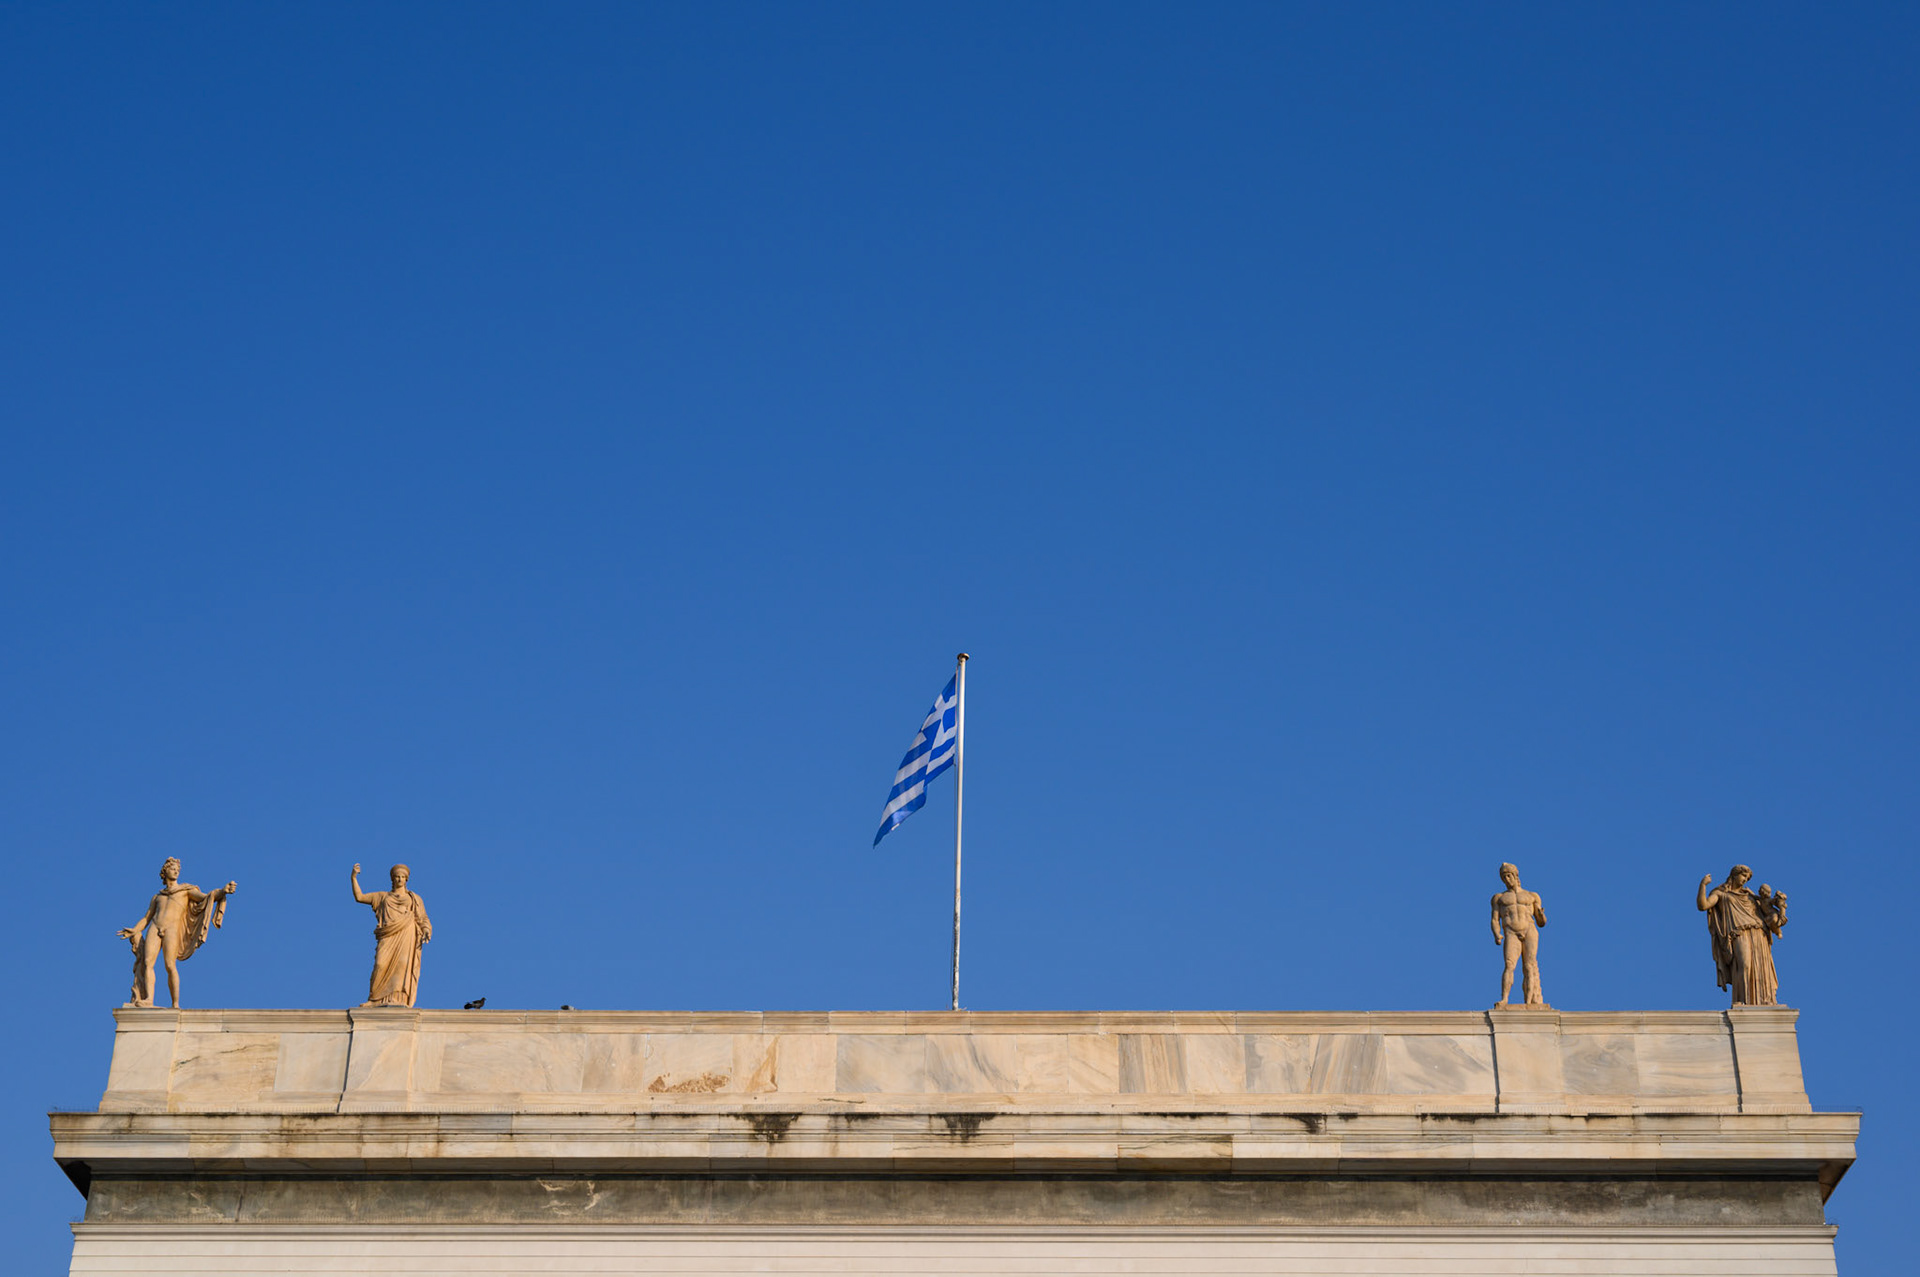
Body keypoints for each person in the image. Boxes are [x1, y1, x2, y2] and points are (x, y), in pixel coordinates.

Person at [117, 857, 237, 1008]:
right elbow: (147, 918)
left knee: (169, 965)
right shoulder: (157, 896)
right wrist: (135, 929)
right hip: (155, 926)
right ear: (165, 871)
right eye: (173, 868)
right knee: (148, 963)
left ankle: (175, 1004)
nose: (176, 871)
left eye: (178, 870)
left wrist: (222, 891)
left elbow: (207, 898)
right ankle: (148, 999)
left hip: (172, 928)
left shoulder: (186, 891)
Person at [1697, 865, 1787, 1006]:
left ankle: (1766, 1000)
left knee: (1761, 967)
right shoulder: (1721, 894)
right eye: (1743, 876)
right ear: (1734, 875)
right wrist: (1703, 885)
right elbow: (1703, 905)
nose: (1745, 880)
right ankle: (1741, 999)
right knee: (1744, 964)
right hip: (1738, 933)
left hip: (1758, 932)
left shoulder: (1749, 895)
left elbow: (1766, 909)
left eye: (1747, 877)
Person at [350, 862, 432, 1008]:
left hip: (407, 933)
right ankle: (374, 1000)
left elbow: (422, 918)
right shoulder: (382, 897)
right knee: (380, 964)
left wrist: (426, 929)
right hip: (388, 935)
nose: (400, 879)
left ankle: (399, 999)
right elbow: (360, 897)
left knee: (402, 966)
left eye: (402, 877)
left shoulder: (414, 899)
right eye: (397, 877)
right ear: (392, 879)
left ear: (406, 880)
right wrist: (354, 878)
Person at [1490, 862, 1548, 1007]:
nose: (1507, 879)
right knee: (1509, 965)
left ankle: (1529, 1002)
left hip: (1529, 930)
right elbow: (1495, 919)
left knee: (1529, 966)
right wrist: (1497, 933)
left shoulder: (1532, 896)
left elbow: (1541, 922)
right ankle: (1504, 998)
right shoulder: (1499, 898)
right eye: (1504, 877)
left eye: (1509, 875)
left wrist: (1541, 915)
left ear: (1516, 876)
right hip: (1511, 931)